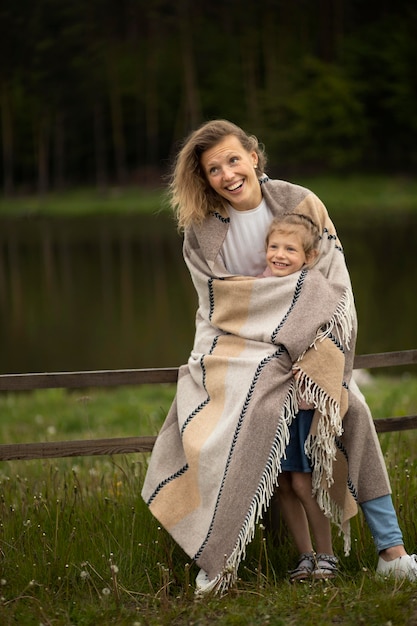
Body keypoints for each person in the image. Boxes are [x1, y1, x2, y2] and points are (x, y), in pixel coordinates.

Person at [142, 119, 417, 595]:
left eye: (233, 159)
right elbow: (219, 302)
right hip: (238, 344)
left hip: (313, 339)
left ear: (253, 156)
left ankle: (391, 553)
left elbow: (333, 286)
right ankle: (220, 556)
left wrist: (308, 337)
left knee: (354, 410)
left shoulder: (300, 203)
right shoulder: (201, 232)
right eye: (213, 169)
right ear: (204, 179)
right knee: (239, 417)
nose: (227, 174)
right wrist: (282, 304)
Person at [259, 213, 338, 581]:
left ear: (307, 256)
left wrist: (308, 364)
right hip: (270, 402)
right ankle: (304, 556)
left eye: (289, 248)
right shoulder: (259, 287)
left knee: (304, 482)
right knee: (281, 483)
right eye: (273, 246)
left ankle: (327, 555)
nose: (279, 254)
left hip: (301, 402)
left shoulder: (313, 288)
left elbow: (324, 340)